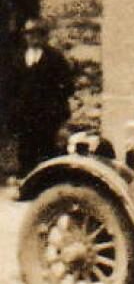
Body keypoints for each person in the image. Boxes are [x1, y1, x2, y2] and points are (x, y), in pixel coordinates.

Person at [10, 17, 74, 175]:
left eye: (38, 33)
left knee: (47, 151)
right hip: (25, 116)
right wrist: (16, 110)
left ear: (44, 36)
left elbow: (67, 87)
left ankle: (46, 182)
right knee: (26, 151)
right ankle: (26, 179)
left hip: (47, 116)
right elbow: (12, 87)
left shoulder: (55, 58)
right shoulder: (18, 58)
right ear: (25, 36)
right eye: (29, 33)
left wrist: (57, 110)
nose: (33, 37)